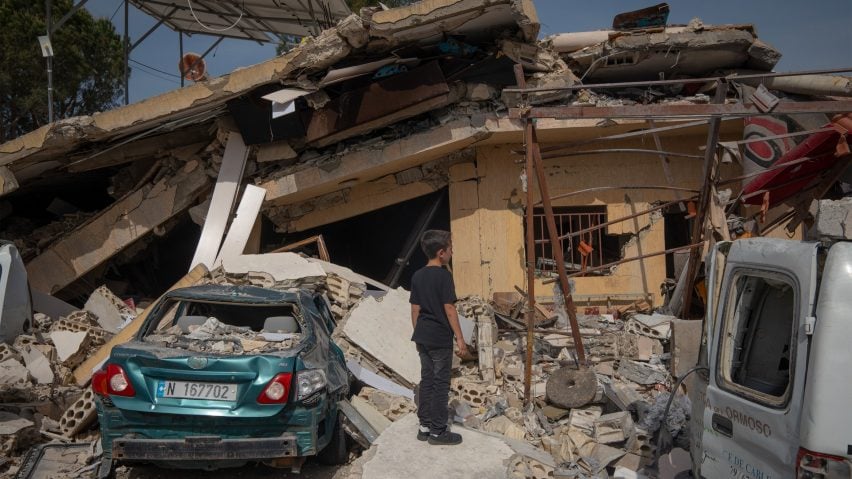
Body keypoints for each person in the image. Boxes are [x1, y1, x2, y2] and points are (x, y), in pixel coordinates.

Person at [409, 229, 470, 446]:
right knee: (440, 384)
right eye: (451, 248)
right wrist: (460, 339)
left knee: (427, 381)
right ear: (442, 253)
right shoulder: (444, 276)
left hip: (422, 337)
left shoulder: (417, 275)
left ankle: (424, 426)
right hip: (439, 339)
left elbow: (415, 310)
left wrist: (419, 333)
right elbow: (450, 309)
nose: (453, 252)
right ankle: (438, 432)